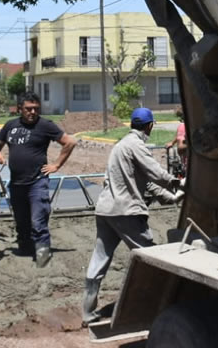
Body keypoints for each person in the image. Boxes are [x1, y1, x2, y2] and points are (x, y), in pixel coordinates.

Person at [82, 107, 182, 325]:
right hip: (126, 211)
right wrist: (177, 182)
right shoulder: (136, 145)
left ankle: (88, 312)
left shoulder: (120, 146)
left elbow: (145, 181)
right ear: (150, 126)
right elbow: (155, 172)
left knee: (100, 258)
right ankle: (159, 306)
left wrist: (171, 197)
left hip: (105, 210)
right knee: (151, 257)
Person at [0, 92, 76, 268]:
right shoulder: (10, 125)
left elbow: (69, 142)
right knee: (21, 221)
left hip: (37, 181)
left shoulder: (45, 125)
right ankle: (25, 249)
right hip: (16, 183)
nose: (33, 112)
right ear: (20, 108)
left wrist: (56, 165)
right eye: (29, 109)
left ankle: (43, 255)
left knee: (38, 220)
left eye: (36, 109)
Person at [164, 108, 188, 179]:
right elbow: (179, 137)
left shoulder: (182, 126)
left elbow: (180, 146)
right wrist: (173, 142)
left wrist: (173, 143)